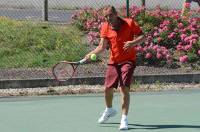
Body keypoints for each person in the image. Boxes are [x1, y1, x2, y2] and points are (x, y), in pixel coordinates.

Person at [84, 5, 145, 130]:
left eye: (110, 15)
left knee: (124, 88)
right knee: (107, 89)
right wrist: (90, 54)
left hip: (128, 61)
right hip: (114, 61)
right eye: (106, 16)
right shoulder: (105, 26)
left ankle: (124, 119)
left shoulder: (129, 23)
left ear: (116, 14)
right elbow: (102, 46)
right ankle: (109, 109)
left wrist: (132, 43)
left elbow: (143, 36)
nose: (108, 18)